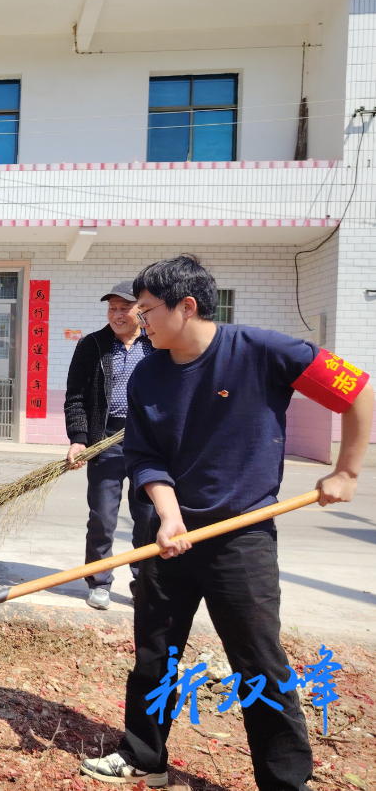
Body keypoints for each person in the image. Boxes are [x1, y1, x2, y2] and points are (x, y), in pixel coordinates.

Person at [80, 256, 373, 789]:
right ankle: (146, 756)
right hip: (167, 536)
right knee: (155, 651)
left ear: (185, 307)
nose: (139, 321)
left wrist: (347, 469)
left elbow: (356, 390)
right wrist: (168, 517)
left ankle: (286, 780)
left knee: (260, 660)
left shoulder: (264, 351)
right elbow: (145, 457)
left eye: (146, 311)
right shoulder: (149, 373)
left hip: (243, 538)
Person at [64, 280, 156, 610]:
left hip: (149, 444)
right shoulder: (93, 345)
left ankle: (143, 582)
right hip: (107, 440)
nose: (116, 314)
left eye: (124, 308)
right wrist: (78, 439)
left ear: (140, 310)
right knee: (103, 517)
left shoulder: (156, 344)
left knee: (148, 518)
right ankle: (99, 581)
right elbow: (75, 395)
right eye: (112, 308)